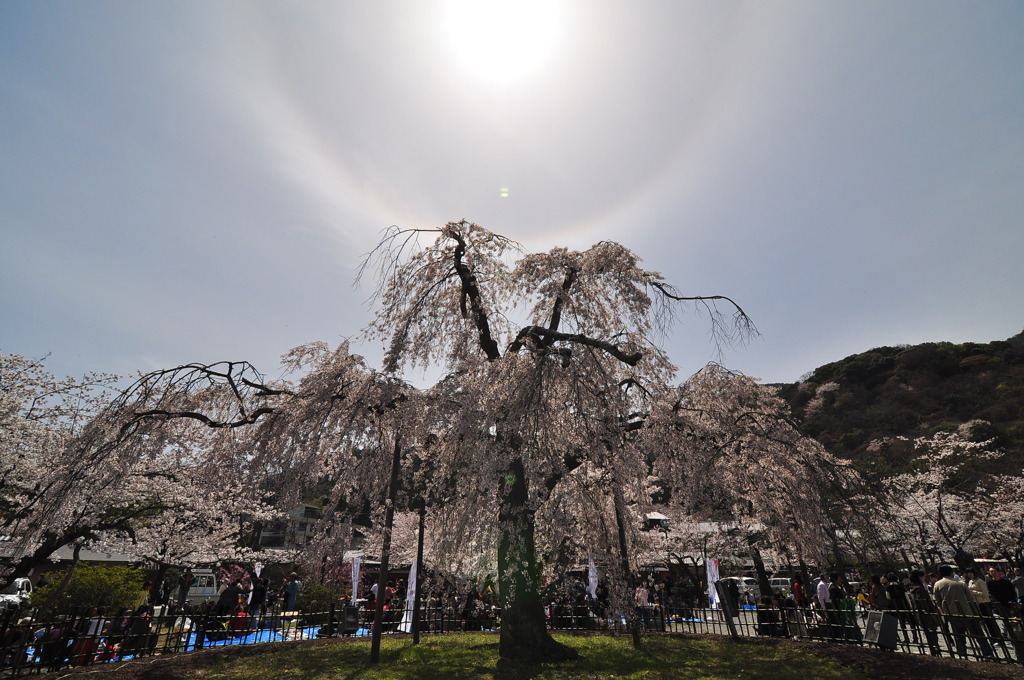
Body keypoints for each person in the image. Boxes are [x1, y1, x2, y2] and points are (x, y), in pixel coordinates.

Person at [932, 564, 993, 659]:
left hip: (952, 613)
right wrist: (976, 612)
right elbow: (971, 599)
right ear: (951, 572)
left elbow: (937, 600)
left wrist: (944, 610)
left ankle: (962, 654)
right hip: (967, 612)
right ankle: (988, 654)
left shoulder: (938, 584)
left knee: (959, 637)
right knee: (979, 635)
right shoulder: (960, 583)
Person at [907, 570, 941, 656]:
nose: (924, 578)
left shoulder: (913, 588)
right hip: (927, 613)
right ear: (919, 577)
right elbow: (921, 601)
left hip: (921, 613)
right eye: (922, 576)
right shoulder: (919, 589)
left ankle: (934, 648)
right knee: (932, 632)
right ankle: (935, 649)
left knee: (929, 632)